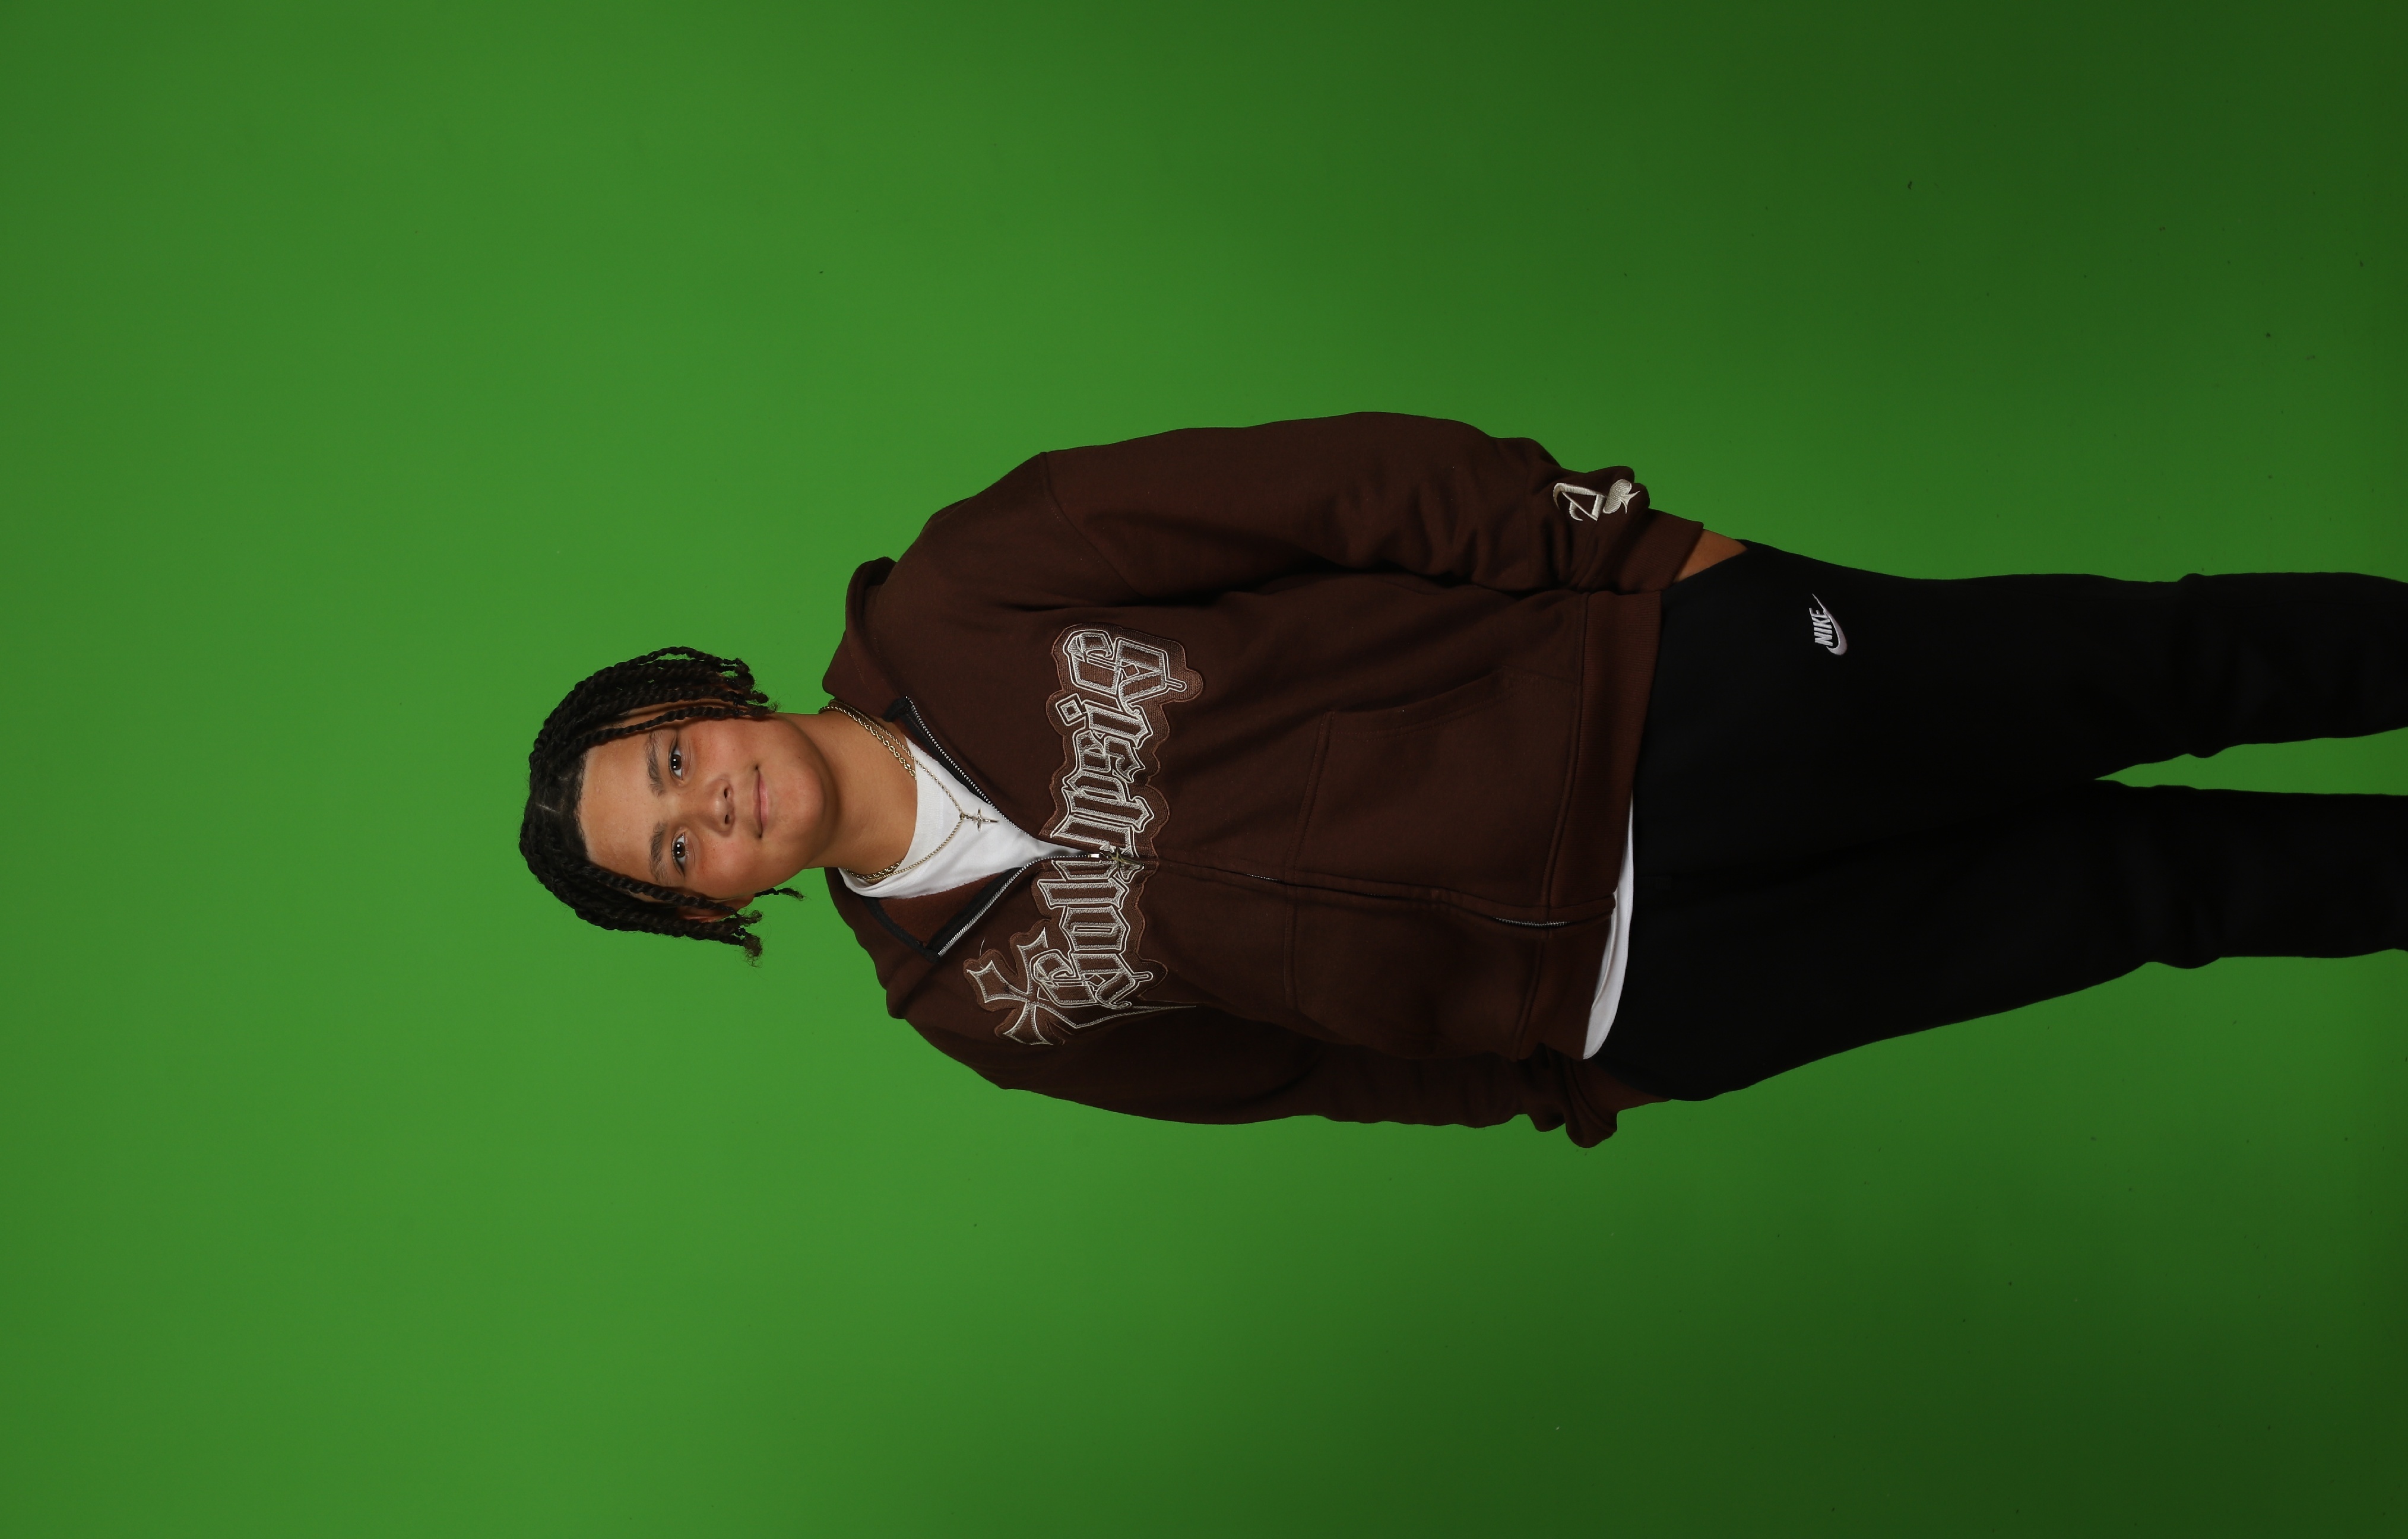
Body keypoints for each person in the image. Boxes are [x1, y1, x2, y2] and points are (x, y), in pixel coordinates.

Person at [520, 413, 2408, 1145]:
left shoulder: (971, 584)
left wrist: (1635, 554)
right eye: (674, 850)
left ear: (706, 695)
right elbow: (1296, 1078)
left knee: (2162, 673)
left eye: (676, 759)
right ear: (710, 909)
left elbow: (1337, 492)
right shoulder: (973, 1010)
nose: (714, 806)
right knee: (2157, 898)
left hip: (1663, 711)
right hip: (1654, 990)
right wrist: (1566, 1079)